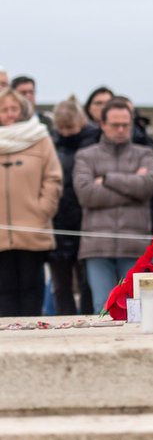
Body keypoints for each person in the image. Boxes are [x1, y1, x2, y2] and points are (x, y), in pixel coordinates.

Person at [74, 99, 153, 313]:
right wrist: (131, 185)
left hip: (134, 246)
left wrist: (107, 179)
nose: (121, 130)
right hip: (97, 246)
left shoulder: (145, 154)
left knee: (136, 309)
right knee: (102, 308)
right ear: (102, 124)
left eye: (126, 125)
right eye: (115, 125)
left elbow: (147, 187)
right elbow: (86, 195)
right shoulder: (86, 156)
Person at [0, 89, 63, 316]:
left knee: (31, 290)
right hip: (1, 234)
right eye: (4, 110)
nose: (10, 114)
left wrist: (42, 210)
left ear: (23, 110)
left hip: (32, 229)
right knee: (3, 292)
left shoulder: (39, 138)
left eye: (14, 109)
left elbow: (53, 177)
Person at [47, 97, 101, 315]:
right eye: (61, 128)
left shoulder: (95, 140)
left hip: (86, 222)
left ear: (81, 122)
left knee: (87, 283)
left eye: (70, 127)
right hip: (58, 221)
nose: (66, 132)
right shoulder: (52, 143)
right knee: (61, 286)